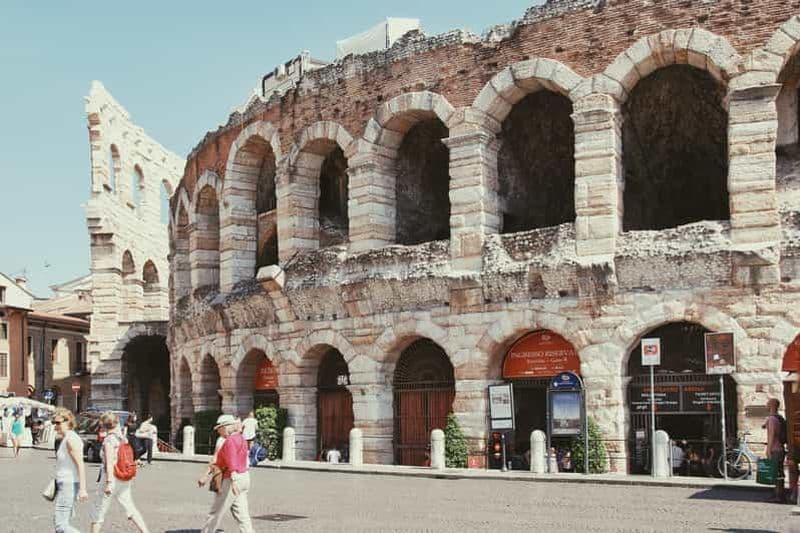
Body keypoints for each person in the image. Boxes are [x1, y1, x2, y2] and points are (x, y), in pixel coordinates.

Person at [90, 411, 150, 533]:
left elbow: (109, 462)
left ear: (103, 425)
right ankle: (145, 531)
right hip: (124, 476)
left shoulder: (109, 440)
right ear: (116, 423)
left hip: (112, 477)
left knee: (98, 510)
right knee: (129, 506)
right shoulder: (122, 438)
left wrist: (109, 482)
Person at [199, 414, 254, 533]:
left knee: (216, 511)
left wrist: (233, 477)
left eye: (219, 428)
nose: (218, 431)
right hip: (244, 477)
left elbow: (231, 459)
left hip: (232, 478)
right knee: (242, 513)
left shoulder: (230, 441)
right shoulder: (242, 438)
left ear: (226, 427)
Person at [52, 407, 89, 533]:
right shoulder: (66, 438)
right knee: (62, 523)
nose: (55, 426)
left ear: (68, 422)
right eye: (53, 423)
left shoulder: (71, 439)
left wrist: (83, 489)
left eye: (58, 423)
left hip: (69, 484)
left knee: (61, 526)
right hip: (65, 484)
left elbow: (80, 465)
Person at [765, 398, 787, 503]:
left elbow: (771, 435)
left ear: (772, 406)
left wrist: (768, 449)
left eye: (768, 403)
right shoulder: (779, 418)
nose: (766, 405)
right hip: (781, 448)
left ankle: (779, 496)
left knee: (776, 473)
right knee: (779, 472)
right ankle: (779, 494)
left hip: (775, 449)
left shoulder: (771, 419)